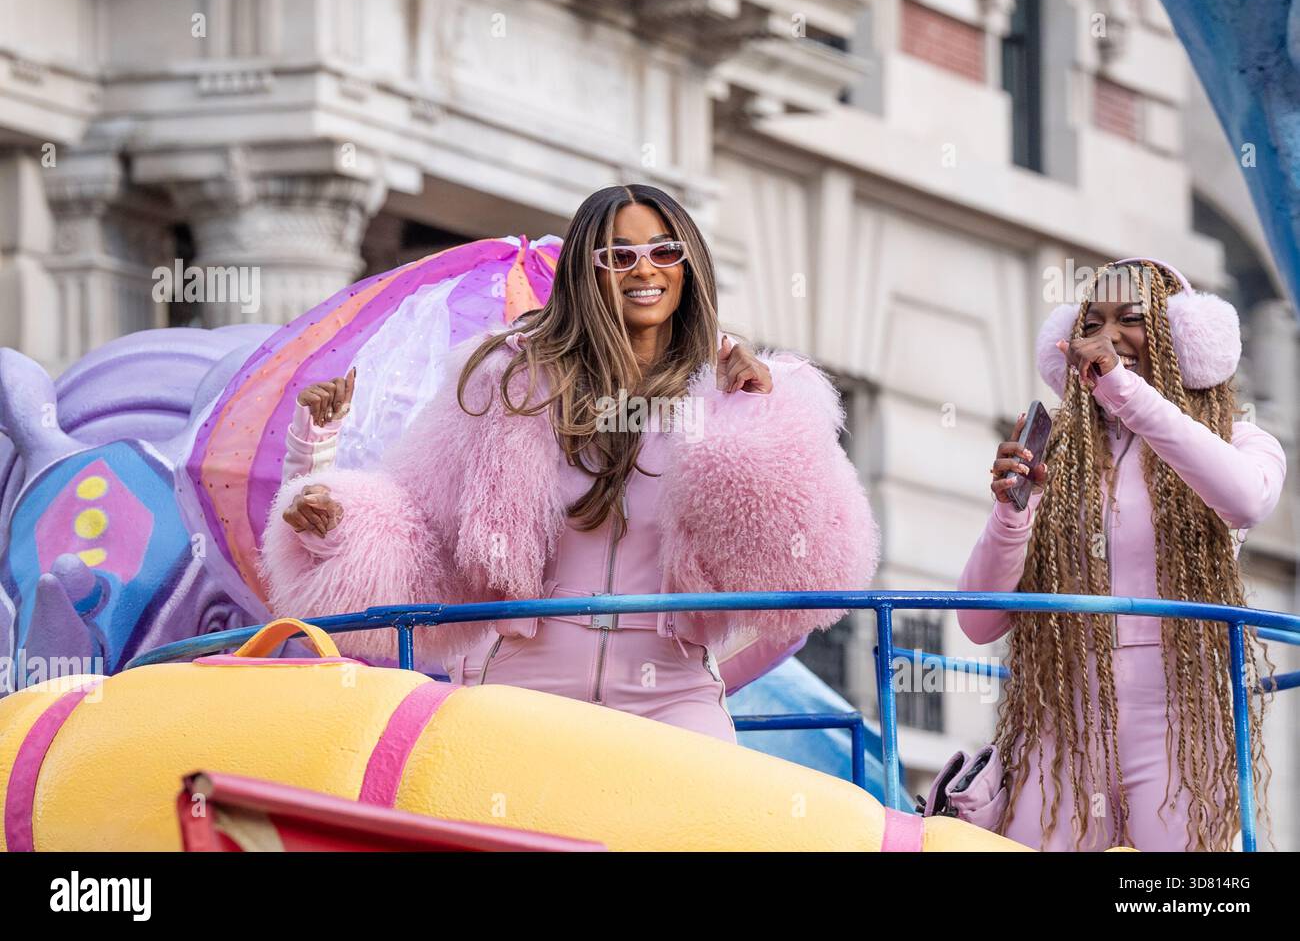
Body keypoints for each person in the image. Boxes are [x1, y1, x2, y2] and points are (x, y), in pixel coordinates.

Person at [259, 183, 879, 743]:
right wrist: (333, 513)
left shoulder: (731, 394)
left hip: (671, 695)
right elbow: (420, 523)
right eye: (619, 255)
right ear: (586, 271)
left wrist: (763, 416)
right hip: (523, 690)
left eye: (665, 251)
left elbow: (806, 572)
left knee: (710, 816)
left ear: (689, 266)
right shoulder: (508, 383)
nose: (645, 269)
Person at [958, 258, 1286, 850]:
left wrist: (1124, 389)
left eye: (1131, 319)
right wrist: (1012, 512)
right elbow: (977, 623)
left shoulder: (1237, 440)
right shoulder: (1058, 457)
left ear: (1184, 337)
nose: (1107, 338)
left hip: (1178, 729)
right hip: (1061, 728)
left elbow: (1246, 500)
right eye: (1093, 324)